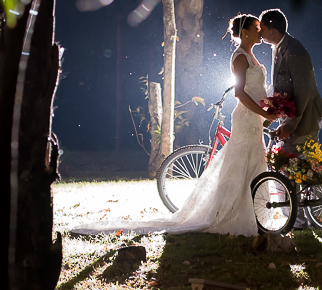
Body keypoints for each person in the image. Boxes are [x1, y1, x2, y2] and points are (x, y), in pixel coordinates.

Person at [70, 14, 277, 237]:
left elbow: (258, 91)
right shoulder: (240, 58)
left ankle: (255, 214)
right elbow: (240, 93)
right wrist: (263, 111)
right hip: (246, 118)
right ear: (245, 32)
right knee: (242, 161)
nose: (260, 31)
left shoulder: (253, 57)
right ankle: (233, 215)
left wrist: (271, 107)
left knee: (255, 161)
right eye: (256, 28)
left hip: (255, 118)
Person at [259, 8, 322, 147]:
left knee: (301, 166)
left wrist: (289, 126)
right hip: (290, 122)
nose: (259, 32)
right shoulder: (278, 47)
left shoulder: (294, 51)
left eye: (262, 28)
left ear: (273, 31)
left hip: (304, 123)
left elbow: (303, 91)